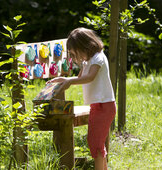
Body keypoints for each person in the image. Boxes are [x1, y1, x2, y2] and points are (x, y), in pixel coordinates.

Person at [47, 27, 116, 170]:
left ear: (86, 45)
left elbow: (89, 77)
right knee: (95, 143)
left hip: (105, 106)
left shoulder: (98, 58)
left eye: (75, 52)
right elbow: (80, 78)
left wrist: (70, 82)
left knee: (95, 143)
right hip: (97, 106)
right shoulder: (87, 61)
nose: (74, 57)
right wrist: (64, 79)